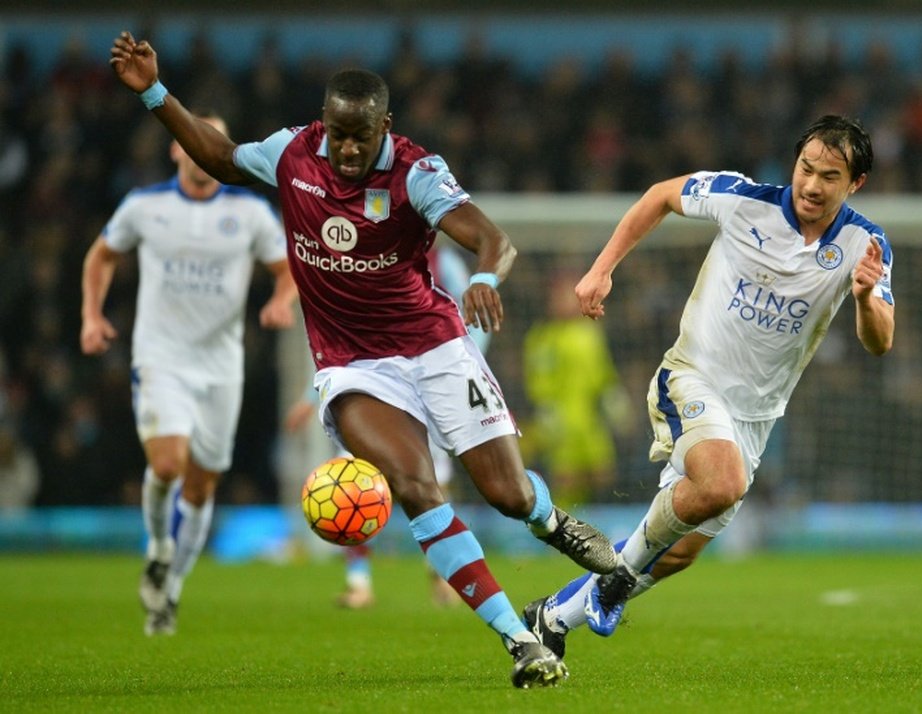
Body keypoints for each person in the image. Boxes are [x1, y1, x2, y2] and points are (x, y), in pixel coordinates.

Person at [109, 31, 616, 688]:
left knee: (507, 494)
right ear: (325, 124)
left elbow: (490, 237)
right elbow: (225, 157)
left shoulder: (414, 172)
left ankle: (550, 520)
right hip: (352, 367)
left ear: (387, 125)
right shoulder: (293, 154)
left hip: (436, 348)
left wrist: (487, 277)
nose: (349, 149)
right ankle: (520, 640)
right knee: (413, 486)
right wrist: (154, 91)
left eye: (363, 135)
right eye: (340, 134)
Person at [522, 115, 895, 657]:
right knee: (721, 483)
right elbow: (660, 196)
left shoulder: (867, 244)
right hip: (692, 376)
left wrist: (863, 299)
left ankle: (552, 617)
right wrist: (602, 269)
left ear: (855, 183)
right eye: (806, 168)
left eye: (830, 176)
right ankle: (615, 580)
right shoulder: (743, 199)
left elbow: (880, 341)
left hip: (756, 415)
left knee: (679, 552)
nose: (812, 184)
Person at [80, 109, 298, 636]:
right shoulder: (145, 206)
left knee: (201, 488)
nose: (202, 148)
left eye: (215, 140)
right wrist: (91, 314)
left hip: (222, 365)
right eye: (192, 139)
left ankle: (170, 587)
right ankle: (158, 547)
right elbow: (101, 256)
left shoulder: (248, 212)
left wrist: (281, 300)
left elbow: (286, 265)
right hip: (161, 357)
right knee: (169, 462)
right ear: (177, 148)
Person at [284, 243, 483, 610]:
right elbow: (341, 337)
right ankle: (358, 584)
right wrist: (310, 397)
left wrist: (463, 372)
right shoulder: (372, 254)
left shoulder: (447, 264)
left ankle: (442, 578)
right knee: (351, 481)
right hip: (372, 388)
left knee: (433, 487)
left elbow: (472, 324)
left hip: (429, 386)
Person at [522, 268, 631, 504]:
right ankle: (565, 527)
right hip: (563, 422)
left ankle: (598, 524)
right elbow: (538, 379)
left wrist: (614, 397)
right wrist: (546, 409)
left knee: (603, 475)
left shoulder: (590, 331)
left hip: (592, 419)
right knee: (567, 478)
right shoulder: (543, 337)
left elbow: (603, 371)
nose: (562, 301)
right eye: (557, 296)